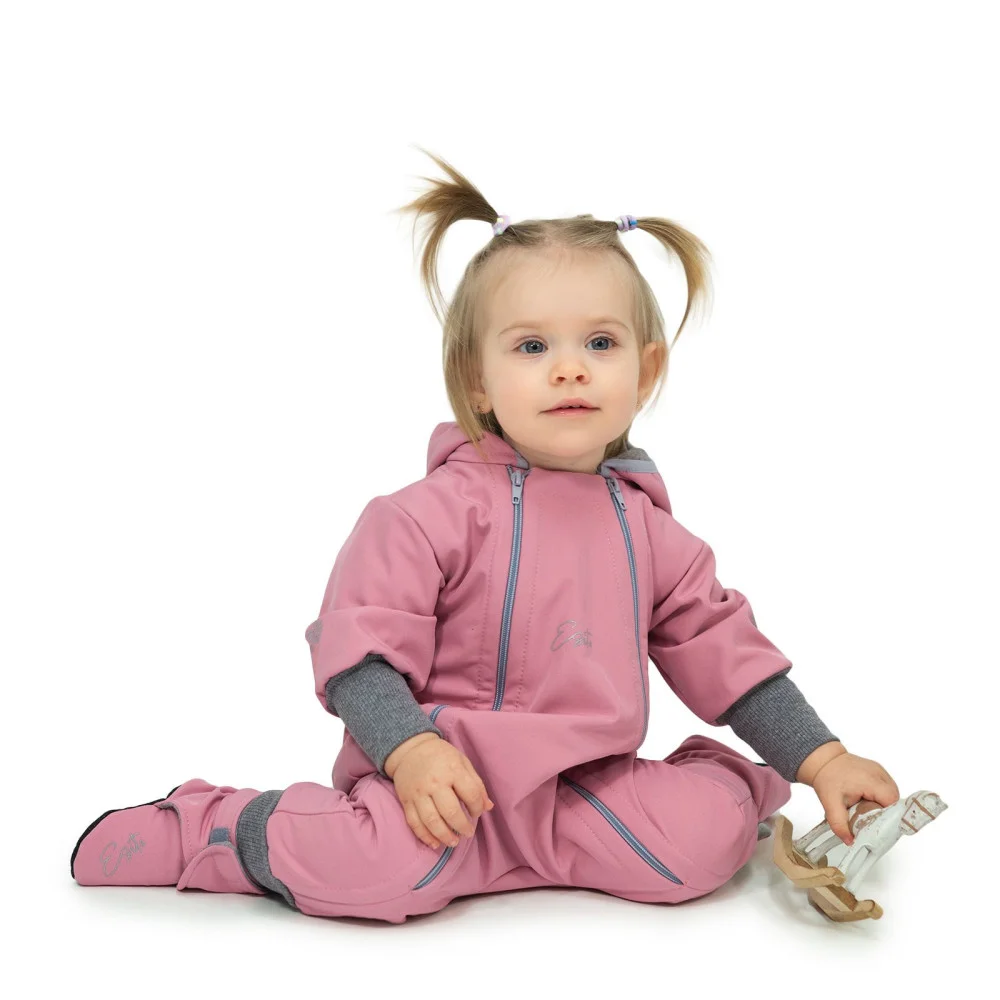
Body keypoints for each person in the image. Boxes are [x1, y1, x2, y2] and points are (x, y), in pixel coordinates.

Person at [70, 149, 901, 924]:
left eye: (600, 343)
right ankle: (215, 829)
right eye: (532, 346)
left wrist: (820, 759)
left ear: (645, 371)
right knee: (376, 871)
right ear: (477, 378)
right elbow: (359, 655)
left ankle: (733, 786)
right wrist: (409, 752)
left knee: (697, 851)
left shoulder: (653, 537)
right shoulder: (423, 515)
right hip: (439, 788)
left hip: (585, 793)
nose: (570, 367)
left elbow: (729, 658)